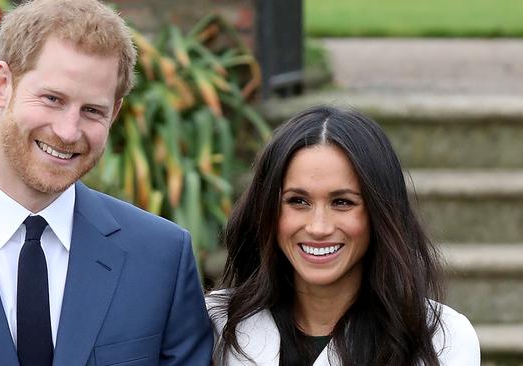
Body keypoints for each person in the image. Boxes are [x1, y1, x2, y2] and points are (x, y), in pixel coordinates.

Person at [0, 0, 213, 365]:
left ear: (114, 114)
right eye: (52, 99)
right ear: (1, 84)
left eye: (92, 111)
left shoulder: (161, 257)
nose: (68, 131)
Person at [206, 106, 480, 366]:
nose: (318, 227)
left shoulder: (441, 338)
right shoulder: (216, 325)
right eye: (298, 201)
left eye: (342, 202)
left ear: (379, 213)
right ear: (267, 210)